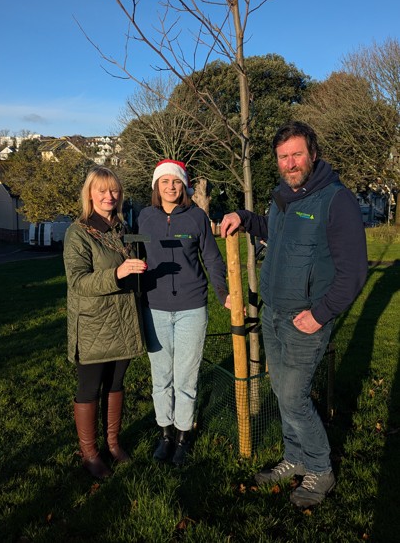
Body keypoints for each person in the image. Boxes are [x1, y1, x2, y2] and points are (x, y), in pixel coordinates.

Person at [220, 121, 368, 507]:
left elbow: (353, 271)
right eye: (283, 157)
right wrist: (245, 217)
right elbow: (276, 231)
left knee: (293, 395)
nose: (290, 162)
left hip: (307, 319)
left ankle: (321, 469)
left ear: (313, 154)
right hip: (273, 314)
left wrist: (321, 314)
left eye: (297, 154)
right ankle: (296, 457)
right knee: (281, 393)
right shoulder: (283, 196)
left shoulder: (336, 200)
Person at [138, 159, 230, 466]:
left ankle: (182, 436)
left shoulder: (196, 218)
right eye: (164, 182)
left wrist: (223, 293)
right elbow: (135, 255)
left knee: (186, 379)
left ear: (184, 185)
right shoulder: (145, 218)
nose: (170, 187)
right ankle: (165, 433)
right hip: (155, 309)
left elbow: (212, 259)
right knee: (161, 377)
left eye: (176, 182)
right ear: (156, 186)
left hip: (191, 307)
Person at [63, 166, 147, 479]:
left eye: (113, 191)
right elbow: (78, 282)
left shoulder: (122, 228)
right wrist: (117, 273)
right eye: (102, 191)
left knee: (115, 384)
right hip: (94, 325)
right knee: (89, 388)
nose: (109, 196)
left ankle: (113, 443)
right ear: (90, 195)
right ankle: (90, 453)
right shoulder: (79, 232)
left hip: (124, 321)